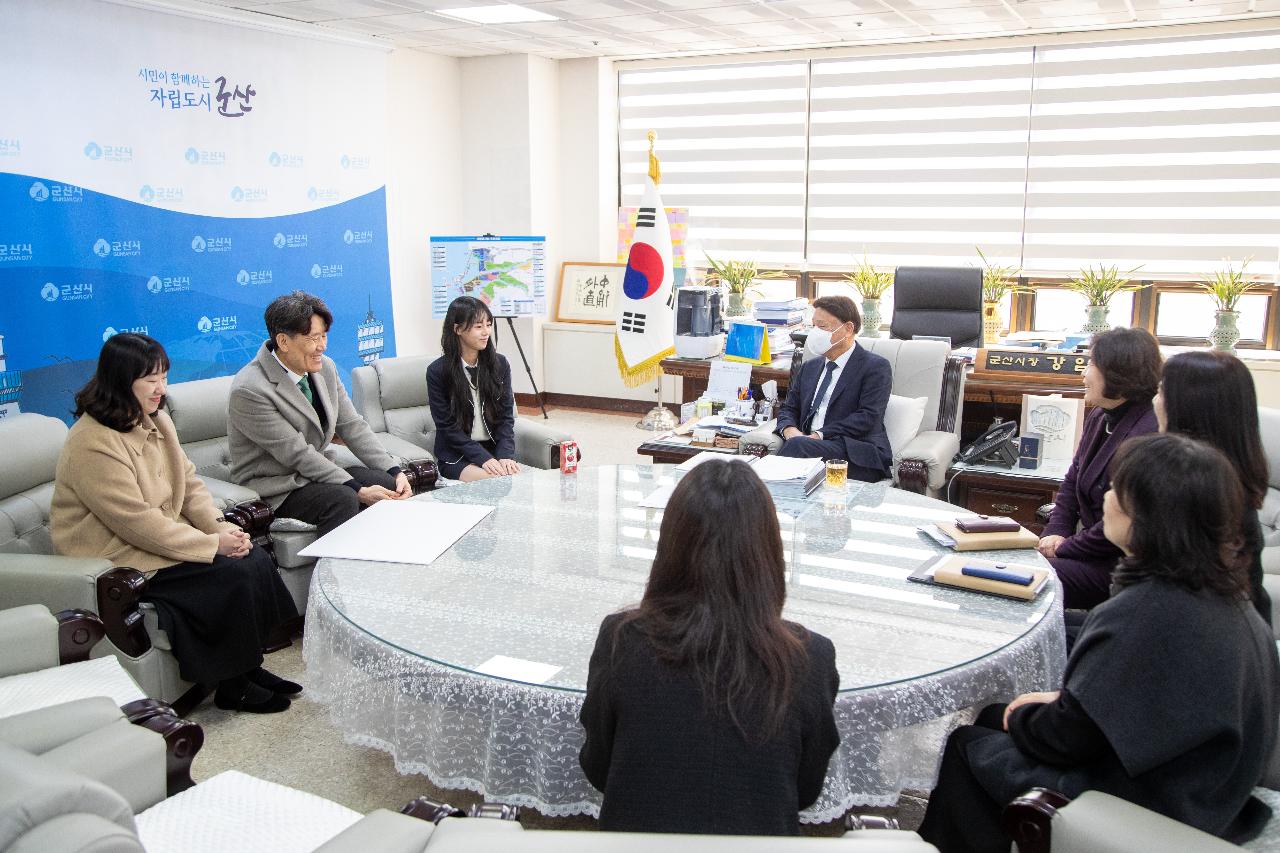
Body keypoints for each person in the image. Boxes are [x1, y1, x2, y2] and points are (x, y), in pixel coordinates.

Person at [918, 433, 1280, 853]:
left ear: (1144, 516)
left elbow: (1065, 739)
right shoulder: (1220, 592)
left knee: (969, 743)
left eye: (1114, 490)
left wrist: (1027, 715)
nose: (1105, 499)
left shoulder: (1143, 612)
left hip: (1154, 805)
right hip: (1214, 789)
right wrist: (1053, 704)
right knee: (995, 719)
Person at [579, 460, 840, 835]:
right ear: (768, 552)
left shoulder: (621, 639)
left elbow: (600, 769)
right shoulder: (810, 657)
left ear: (669, 546)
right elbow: (804, 790)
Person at [51, 334, 300, 713]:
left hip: (161, 539)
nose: (161, 389)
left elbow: (190, 484)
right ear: (121, 380)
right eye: (151, 380)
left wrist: (217, 527)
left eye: (164, 377)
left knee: (252, 559)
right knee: (227, 575)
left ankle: (249, 667)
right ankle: (233, 684)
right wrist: (210, 546)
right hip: (119, 554)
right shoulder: (91, 441)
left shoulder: (156, 419)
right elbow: (136, 522)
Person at [229, 291, 411, 536]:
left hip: (318, 472)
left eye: (324, 336)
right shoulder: (250, 389)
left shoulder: (325, 367)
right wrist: (358, 489)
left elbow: (352, 425)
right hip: (278, 485)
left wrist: (394, 470)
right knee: (343, 498)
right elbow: (297, 453)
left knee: (389, 485)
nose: (321, 347)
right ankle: (332, 572)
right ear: (283, 341)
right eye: (313, 338)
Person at [1037, 327, 1161, 609]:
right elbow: (1072, 480)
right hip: (1087, 551)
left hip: (1121, 564)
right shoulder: (1099, 416)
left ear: (1119, 371)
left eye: (1092, 363)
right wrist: (1055, 531)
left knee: (1025, 577)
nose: (1083, 373)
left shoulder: (1147, 434)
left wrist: (1063, 547)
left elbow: (1122, 522)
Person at [1156, 350, 1272, 625]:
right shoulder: (1229, 477)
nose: (1155, 402)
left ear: (1187, 407)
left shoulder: (1197, 492)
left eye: (1161, 392)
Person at [774, 295, 892, 482]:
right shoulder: (810, 367)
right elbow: (789, 407)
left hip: (853, 452)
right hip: (805, 445)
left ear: (848, 328)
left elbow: (868, 417)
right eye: (813, 326)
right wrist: (789, 429)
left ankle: (762, 501)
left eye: (822, 327)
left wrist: (819, 435)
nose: (815, 333)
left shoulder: (875, 367)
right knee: (797, 448)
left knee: (797, 449)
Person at [426, 296, 519, 482]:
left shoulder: (500, 364)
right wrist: (482, 458)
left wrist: (505, 454)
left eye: (488, 324)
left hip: (493, 450)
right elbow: (447, 427)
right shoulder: (437, 372)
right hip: (457, 455)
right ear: (458, 329)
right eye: (478, 326)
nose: (486, 332)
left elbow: (506, 416)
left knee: (517, 480)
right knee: (495, 482)